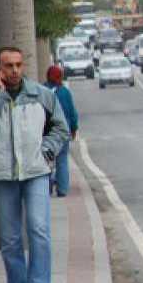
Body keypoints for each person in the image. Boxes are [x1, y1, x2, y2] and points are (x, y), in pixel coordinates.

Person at [0, 47, 69, 283]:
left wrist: (47, 150)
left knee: (39, 229)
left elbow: (61, 127)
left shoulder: (40, 94)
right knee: (10, 238)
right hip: (3, 175)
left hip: (36, 172)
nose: (15, 70)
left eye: (18, 64)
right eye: (8, 65)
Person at [44, 65, 78, 198]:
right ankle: (62, 189)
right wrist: (74, 128)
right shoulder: (64, 92)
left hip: (45, 132)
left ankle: (46, 188)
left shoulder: (42, 90)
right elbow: (72, 113)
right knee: (62, 160)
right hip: (63, 132)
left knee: (45, 160)